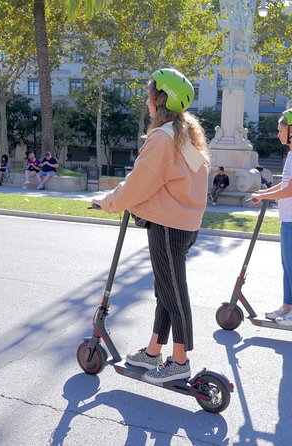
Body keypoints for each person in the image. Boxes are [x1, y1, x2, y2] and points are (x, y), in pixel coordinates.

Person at [91, 68, 209, 383]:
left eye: (149, 95)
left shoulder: (163, 137)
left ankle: (180, 360)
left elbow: (138, 184)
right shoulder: (185, 135)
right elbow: (189, 182)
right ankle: (154, 350)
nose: (146, 102)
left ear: (160, 100)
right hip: (185, 224)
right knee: (166, 290)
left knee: (173, 292)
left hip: (169, 226)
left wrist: (109, 202)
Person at [249, 108, 292, 326]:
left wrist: (265, 196)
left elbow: (288, 191)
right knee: (287, 266)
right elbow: (284, 185)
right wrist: (262, 194)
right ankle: (287, 307)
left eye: (281, 130)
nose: (278, 134)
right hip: (289, 219)